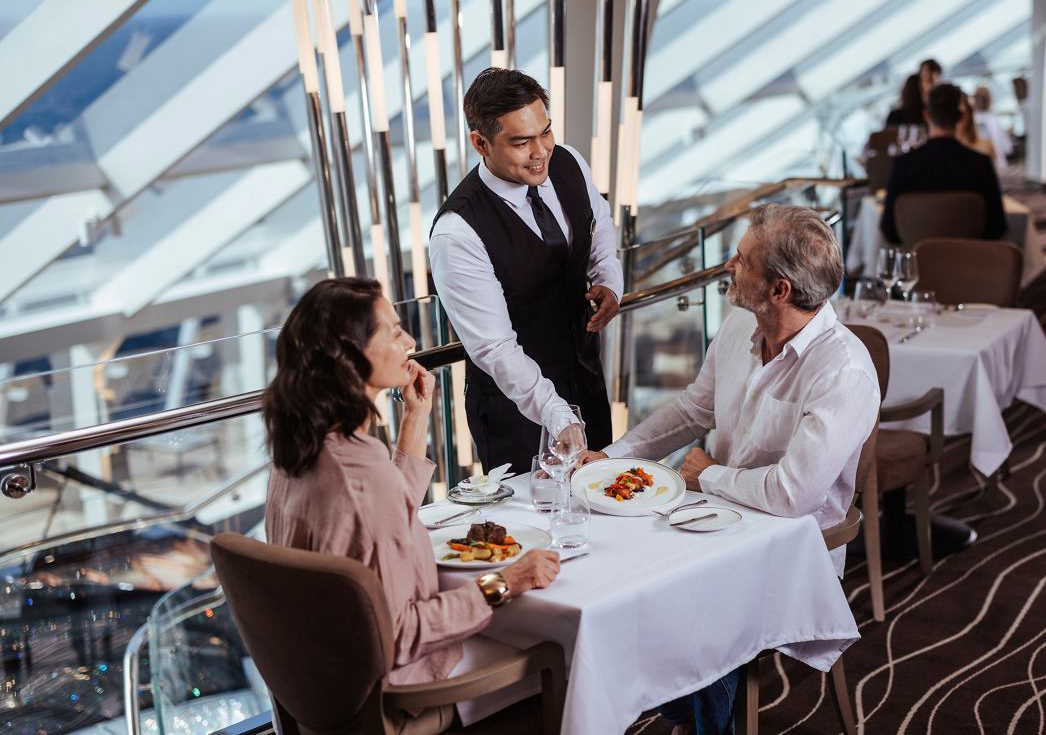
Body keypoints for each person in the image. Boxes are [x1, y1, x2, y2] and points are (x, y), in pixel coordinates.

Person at [581, 204, 879, 735]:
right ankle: (673, 704)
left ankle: (705, 725)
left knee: (695, 594)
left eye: (741, 261)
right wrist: (618, 455)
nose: (727, 266)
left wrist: (707, 474)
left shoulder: (845, 370)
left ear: (779, 290)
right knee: (620, 563)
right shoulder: (743, 321)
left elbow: (793, 495)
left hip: (793, 541)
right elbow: (696, 408)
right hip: (713, 513)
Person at [262, 278, 561, 726]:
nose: (411, 342)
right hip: (398, 700)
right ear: (350, 358)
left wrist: (416, 418)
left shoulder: (296, 454)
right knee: (563, 655)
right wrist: (508, 580)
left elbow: (376, 520)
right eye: (395, 331)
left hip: (325, 689)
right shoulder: (361, 479)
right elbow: (401, 634)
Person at [430, 68, 623, 473]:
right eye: (521, 142)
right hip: (516, 412)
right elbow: (493, 348)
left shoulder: (568, 162)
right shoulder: (458, 232)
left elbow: (599, 221)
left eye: (545, 132)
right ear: (480, 143)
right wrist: (556, 414)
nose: (540, 152)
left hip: (586, 380)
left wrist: (609, 278)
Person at [880, 82, 1008, 245]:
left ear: (926, 115)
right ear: (961, 116)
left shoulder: (904, 165)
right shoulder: (981, 164)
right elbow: (997, 227)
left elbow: (889, 229)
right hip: (971, 264)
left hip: (917, 264)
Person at [971, 86, 1011, 170]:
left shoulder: (976, 119)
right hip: (994, 163)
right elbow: (1007, 147)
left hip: (988, 163)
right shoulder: (991, 118)